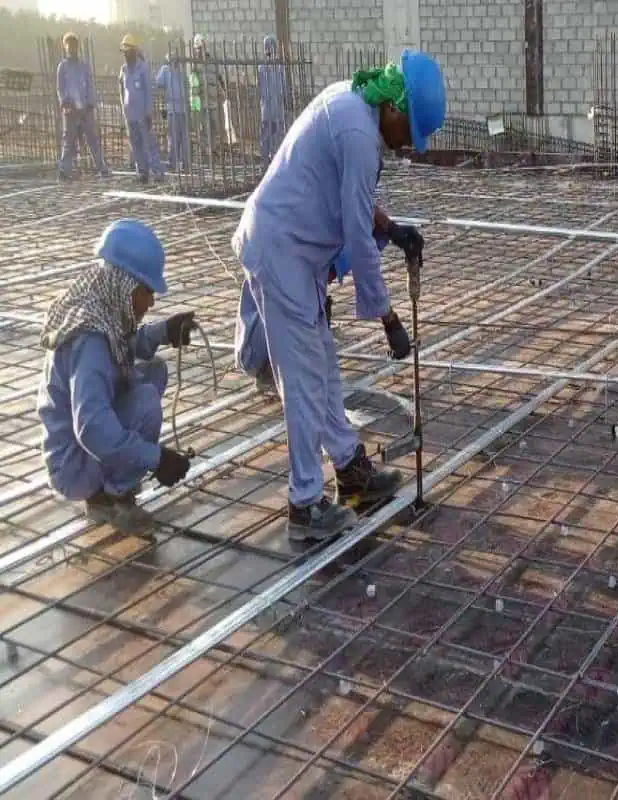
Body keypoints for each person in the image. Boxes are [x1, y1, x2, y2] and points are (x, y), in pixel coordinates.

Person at [230, 52, 445, 542]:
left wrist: (393, 227)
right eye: (408, 132)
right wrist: (388, 318)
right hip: (282, 252)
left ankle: (350, 469)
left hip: (296, 252)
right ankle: (305, 506)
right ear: (395, 107)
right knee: (303, 381)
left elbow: (353, 199)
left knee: (322, 367)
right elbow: (357, 236)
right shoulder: (358, 133)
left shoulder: (355, 108)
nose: (406, 146)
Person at [36, 219, 195, 536]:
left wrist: (163, 332)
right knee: (146, 400)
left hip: (75, 450)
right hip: (72, 464)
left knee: (154, 370)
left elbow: (122, 345)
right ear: (125, 285)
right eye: (147, 291)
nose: (151, 302)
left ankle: (112, 481)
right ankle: (109, 498)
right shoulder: (90, 341)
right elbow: (92, 427)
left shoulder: (100, 308)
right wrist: (156, 458)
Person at [235, 225, 418, 396]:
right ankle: (276, 374)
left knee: (314, 301)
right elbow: (364, 269)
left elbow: (366, 217)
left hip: (272, 254)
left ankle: (286, 371)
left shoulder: (319, 228)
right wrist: (391, 322)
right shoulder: (309, 252)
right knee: (312, 306)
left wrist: (391, 227)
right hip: (259, 352)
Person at [56, 32, 110, 180]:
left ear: (77, 47)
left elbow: (90, 86)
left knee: (92, 140)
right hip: (71, 111)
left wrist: (90, 104)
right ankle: (64, 171)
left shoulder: (84, 66)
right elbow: (60, 89)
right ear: (65, 47)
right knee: (68, 142)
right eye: (69, 46)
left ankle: (102, 168)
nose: (72, 48)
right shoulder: (62, 67)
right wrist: (66, 104)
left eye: (74, 45)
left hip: (85, 110)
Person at [119, 36, 164, 183]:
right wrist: (124, 112)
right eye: (124, 52)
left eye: (127, 51)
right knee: (135, 145)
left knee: (149, 143)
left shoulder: (143, 68)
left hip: (142, 114)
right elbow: (122, 91)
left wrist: (148, 113)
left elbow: (148, 92)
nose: (125, 55)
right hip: (130, 115)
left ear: (134, 51)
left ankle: (157, 171)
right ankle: (142, 172)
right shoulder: (124, 70)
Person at [189, 34, 226, 160]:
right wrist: (194, 103)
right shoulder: (195, 65)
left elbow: (219, 79)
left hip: (213, 100)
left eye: (201, 48)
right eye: (197, 48)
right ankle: (205, 150)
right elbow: (193, 85)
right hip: (201, 101)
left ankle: (213, 149)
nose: (199, 51)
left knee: (214, 126)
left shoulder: (212, 63)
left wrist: (222, 92)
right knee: (204, 127)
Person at [156, 52, 190, 171]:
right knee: (184, 137)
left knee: (174, 137)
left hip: (173, 109)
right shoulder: (183, 71)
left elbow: (158, 83)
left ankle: (173, 163)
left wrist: (163, 106)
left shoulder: (165, 70)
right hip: (184, 108)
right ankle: (186, 163)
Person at [259, 36, 288, 164]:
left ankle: (269, 159)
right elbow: (284, 87)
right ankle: (270, 159)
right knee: (271, 134)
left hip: (272, 107)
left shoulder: (272, 67)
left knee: (273, 134)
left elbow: (283, 87)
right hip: (271, 107)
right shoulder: (266, 67)